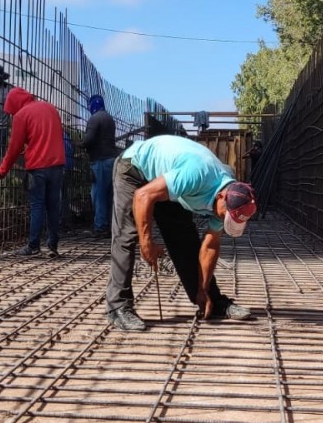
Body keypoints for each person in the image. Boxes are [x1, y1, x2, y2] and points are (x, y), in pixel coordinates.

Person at [107, 134, 257, 331]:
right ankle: (118, 307)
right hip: (134, 170)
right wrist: (147, 244)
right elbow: (143, 196)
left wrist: (203, 289)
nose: (223, 219)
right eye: (225, 216)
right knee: (127, 236)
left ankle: (212, 299)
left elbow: (210, 245)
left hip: (167, 179)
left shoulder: (230, 196)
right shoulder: (195, 175)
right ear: (221, 197)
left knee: (184, 237)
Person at [0, 87, 65, 257]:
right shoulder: (50, 108)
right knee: (53, 205)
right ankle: (52, 245)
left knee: (37, 205)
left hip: (37, 167)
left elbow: (14, 148)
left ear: (14, 104)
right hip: (57, 165)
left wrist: (1, 171)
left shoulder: (21, 115)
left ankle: (33, 246)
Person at [80, 94, 117, 237]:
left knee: (98, 195)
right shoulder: (109, 118)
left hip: (100, 161)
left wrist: (80, 144)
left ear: (93, 105)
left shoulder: (95, 118)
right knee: (109, 195)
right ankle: (109, 226)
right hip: (112, 160)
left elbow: (88, 140)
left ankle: (101, 227)